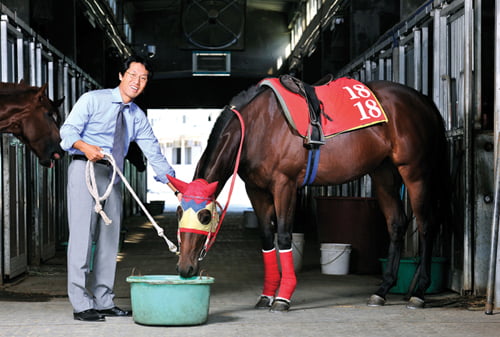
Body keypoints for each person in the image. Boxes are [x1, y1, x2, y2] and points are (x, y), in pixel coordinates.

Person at [60, 55, 181, 322]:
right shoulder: (93, 99)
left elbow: (153, 152)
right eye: (133, 75)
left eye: (143, 78)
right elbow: (67, 133)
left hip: (113, 174)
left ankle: (103, 300)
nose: (136, 82)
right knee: (82, 238)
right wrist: (85, 147)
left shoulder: (137, 116)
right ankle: (81, 304)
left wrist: (176, 187)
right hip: (84, 170)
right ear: (121, 76)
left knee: (109, 240)